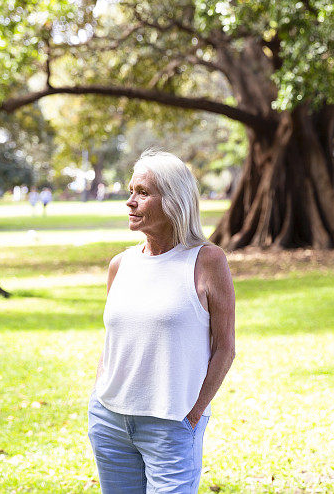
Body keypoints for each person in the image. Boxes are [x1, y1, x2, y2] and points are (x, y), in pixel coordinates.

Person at [88, 150, 236, 493]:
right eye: (130, 192)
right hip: (109, 420)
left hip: (172, 423)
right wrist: (98, 392)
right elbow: (113, 341)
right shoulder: (120, 264)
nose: (130, 202)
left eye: (143, 193)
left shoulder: (207, 261)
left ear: (174, 200)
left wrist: (194, 413)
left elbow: (225, 349)